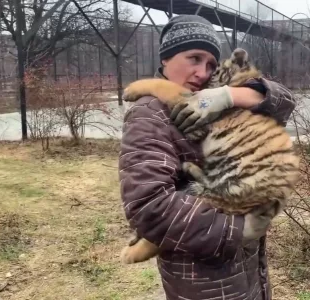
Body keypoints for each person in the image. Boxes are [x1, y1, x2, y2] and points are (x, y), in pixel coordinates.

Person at [118, 15, 296, 300]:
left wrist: (228, 94)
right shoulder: (151, 113)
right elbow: (149, 206)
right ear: (166, 58)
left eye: (211, 64)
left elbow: (285, 102)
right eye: (194, 58)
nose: (203, 72)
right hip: (204, 280)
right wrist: (240, 228)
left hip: (246, 273)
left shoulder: (209, 99)